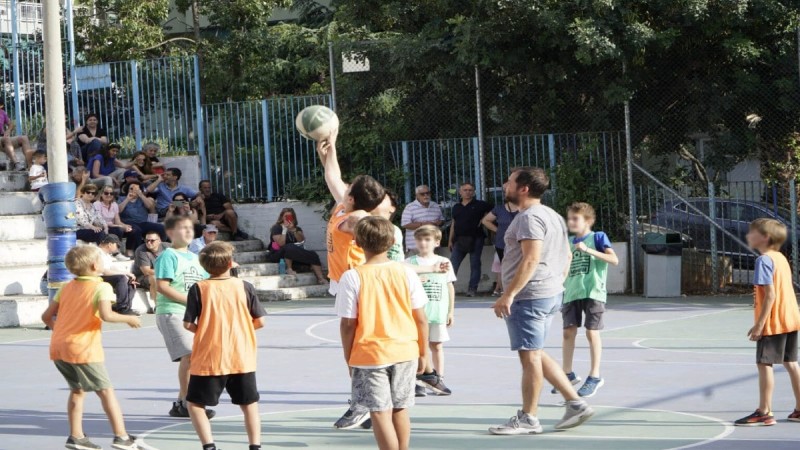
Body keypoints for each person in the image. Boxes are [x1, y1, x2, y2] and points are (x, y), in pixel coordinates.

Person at [489, 167, 594, 435]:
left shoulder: (529, 218)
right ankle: (575, 403)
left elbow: (531, 258)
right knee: (535, 351)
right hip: (547, 293)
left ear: (523, 188)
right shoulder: (553, 215)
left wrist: (508, 294)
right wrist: (557, 281)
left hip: (530, 296)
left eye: (510, 181)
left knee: (530, 357)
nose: (505, 185)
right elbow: (567, 255)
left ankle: (529, 418)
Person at [337, 216, 429, 450]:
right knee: (400, 407)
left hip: (370, 354)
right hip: (405, 349)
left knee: (378, 411)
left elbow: (348, 324)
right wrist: (423, 352)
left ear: (356, 242)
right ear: (391, 241)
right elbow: (420, 318)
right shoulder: (407, 272)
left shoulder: (352, 276)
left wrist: (349, 356)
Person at [315, 127, 386, 430]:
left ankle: (363, 403)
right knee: (357, 344)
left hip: (358, 284)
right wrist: (330, 148)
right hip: (344, 281)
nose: (342, 186)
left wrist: (368, 219)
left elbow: (372, 222)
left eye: (348, 187)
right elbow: (333, 176)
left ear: (353, 197)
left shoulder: (351, 217)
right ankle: (366, 400)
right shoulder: (345, 204)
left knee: (356, 344)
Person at [40, 245, 140, 450]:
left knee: (77, 390)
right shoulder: (102, 287)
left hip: (59, 346)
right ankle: (121, 437)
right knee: (106, 391)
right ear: (95, 266)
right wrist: (129, 318)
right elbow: (107, 315)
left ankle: (76, 436)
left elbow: (46, 317)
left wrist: (61, 332)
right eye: (102, 260)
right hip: (83, 347)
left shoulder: (65, 287)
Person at [183, 242, 267, 450]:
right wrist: (241, 330)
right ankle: (254, 445)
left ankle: (209, 446)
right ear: (231, 263)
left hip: (209, 356)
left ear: (204, 267)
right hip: (241, 355)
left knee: (195, 403)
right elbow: (260, 321)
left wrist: (205, 331)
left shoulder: (199, 288)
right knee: (249, 404)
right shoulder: (244, 286)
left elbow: (187, 323)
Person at [734, 218, 800, 426]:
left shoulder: (763, 260)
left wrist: (760, 325)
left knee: (764, 364)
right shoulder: (780, 258)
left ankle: (765, 411)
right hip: (790, 318)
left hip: (774, 321)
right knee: (791, 362)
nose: (748, 236)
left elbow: (770, 295)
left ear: (765, 237)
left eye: (752, 232)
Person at [154, 215, 215, 419]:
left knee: (196, 358)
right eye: (183, 228)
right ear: (170, 233)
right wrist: (191, 303)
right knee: (190, 355)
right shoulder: (168, 255)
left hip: (192, 313)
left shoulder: (196, 257)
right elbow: (162, 286)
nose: (189, 231)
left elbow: (205, 285)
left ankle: (182, 402)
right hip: (172, 311)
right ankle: (192, 402)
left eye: (190, 228)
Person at [557, 202, 618, 398]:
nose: (571, 222)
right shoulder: (567, 241)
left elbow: (614, 260)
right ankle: (567, 374)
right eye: (569, 218)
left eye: (576, 218)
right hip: (571, 292)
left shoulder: (598, 237)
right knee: (568, 332)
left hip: (593, 292)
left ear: (588, 221)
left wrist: (588, 250)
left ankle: (595, 376)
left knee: (592, 333)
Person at [406, 225, 456, 397]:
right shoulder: (410, 263)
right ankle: (418, 379)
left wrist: (451, 311)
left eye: (427, 240)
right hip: (418, 314)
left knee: (437, 345)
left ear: (436, 242)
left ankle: (438, 377)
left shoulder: (444, 262)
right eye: (420, 239)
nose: (423, 243)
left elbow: (450, 287)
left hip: (437, 311)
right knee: (418, 347)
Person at [448, 182, 491, 297]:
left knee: (475, 264)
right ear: (460, 192)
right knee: (452, 264)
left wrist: (484, 219)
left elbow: (493, 213)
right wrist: (450, 240)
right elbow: (454, 223)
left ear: (474, 192)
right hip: (459, 240)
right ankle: (448, 288)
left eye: (470, 190)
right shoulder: (456, 207)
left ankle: (472, 289)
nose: (468, 192)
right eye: (465, 190)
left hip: (476, 238)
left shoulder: (481, 205)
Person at [268, 208, 327, 284]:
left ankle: (321, 278)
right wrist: (284, 230)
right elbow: (281, 243)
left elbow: (301, 240)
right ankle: (289, 269)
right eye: (286, 216)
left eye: (290, 216)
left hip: (293, 253)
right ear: (282, 217)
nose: (287, 218)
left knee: (313, 254)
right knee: (289, 247)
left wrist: (294, 230)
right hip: (277, 254)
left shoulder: (296, 228)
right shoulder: (277, 227)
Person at [482, 200, 520, 295]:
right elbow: (485, 220)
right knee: (506, 267)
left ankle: (517, 290)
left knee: (519, 266)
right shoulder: (499, 209)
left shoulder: (525, 208)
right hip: (502, 243)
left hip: (520, 243)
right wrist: (498, 230)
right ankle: (507, 290)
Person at [97, 234, 140, 315]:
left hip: (106, 276)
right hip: (97, 278)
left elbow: (113, 268)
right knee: (121, 278)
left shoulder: (106, 255)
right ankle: (122, 307)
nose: (117, 248)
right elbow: (104, 271)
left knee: (131, 281)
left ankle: (127, 307)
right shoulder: (96, 252)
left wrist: (129, 275)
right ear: (110, 244)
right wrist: (125, 273)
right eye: (116, 245)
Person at [118, 181, 167, 246]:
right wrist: (127, 199)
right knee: (136, 230)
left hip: (143, 223)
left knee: (161, 228)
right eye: (131, 188)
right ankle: (138, 249)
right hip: (129, 223)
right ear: (127, 189)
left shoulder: (141, 198)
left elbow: (150, 206)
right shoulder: (122, 199)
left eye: (136, 189)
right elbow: (118, 210)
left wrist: (141, 195)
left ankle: (160, 245)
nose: (134, 190)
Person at [133, 230, 171, 314]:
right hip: (142, 278)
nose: (149, 243)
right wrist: (168, 271)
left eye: (152, 240)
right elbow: (147, 271)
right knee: (154, 277)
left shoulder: (168, 247)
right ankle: (158, 306)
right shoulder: (141, 251)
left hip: (163, 274)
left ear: (159, 241)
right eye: (146, 240)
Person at [94, 186, 138, 257]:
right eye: (106, 193)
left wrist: (125, 226)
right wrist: (120, 226)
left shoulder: (114, 205)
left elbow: (118, 221)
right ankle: (116, 252)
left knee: (133, 230)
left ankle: (129, 250)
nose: (109, 195)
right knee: (118, 230)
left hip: (113, 226)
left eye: (111, 193)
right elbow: (100, 221)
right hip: (101, 226)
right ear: (101, 194)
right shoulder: (97, 204)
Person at [401, 185, 444, 254]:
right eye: (422, 194)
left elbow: (441, 220)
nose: (426, 195)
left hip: (433, 246)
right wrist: (424, 224)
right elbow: (405, 224)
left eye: (428, 193)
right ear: (417, 195)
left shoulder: (435, 205)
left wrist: (436, 223)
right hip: (415, 246)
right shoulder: (410, 207)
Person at [0, 98, 34, 171]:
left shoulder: (2, 112)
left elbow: (11, 124)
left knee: (24, 138)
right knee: (6, 139)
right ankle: (16, 164)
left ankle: (30, 166)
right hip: (3, 139)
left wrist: (8, 131)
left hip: (2, 138)